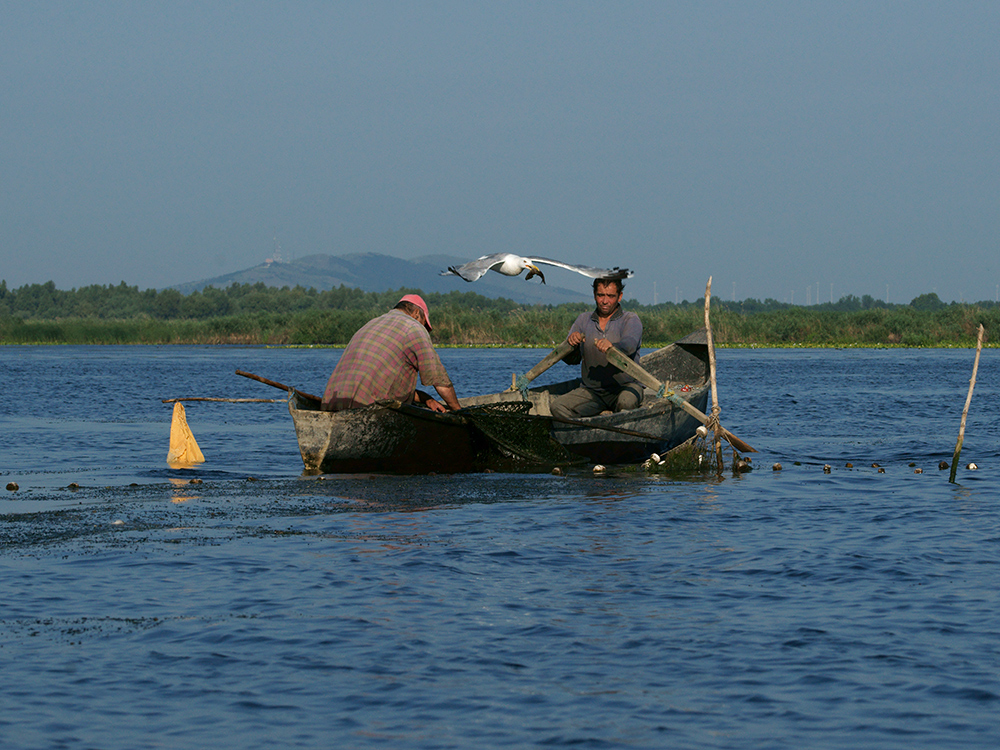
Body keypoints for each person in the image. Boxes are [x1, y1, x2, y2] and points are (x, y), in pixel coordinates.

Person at [321, 294, 461, 413]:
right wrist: (459, 413)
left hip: (330, 405)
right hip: (366, 409)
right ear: (417, 314)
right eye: (424, 323)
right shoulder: (413, 327)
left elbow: (385, 386)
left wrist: (426, 399)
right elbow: (439, 380)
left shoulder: (372, 323)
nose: (424, 328)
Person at [550, 277, 643, 419]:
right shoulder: (583, 320)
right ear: (594, 295)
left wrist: (613, 347)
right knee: (558, 407)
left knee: (626, 403)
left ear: (619, 297)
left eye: (611, 296)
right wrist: (572, 344)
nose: (605, 301)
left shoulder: (630, 319)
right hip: (592, 391)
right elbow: (571, 359)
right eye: (601, 295)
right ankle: (581, 435)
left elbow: (629, 345)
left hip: (625, 387)